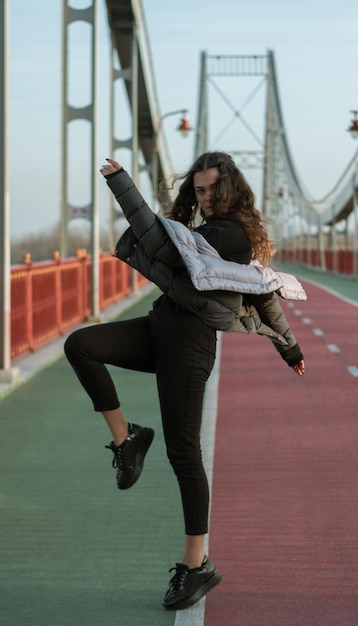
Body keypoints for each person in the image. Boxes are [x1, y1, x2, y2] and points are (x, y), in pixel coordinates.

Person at [64, 151, 305, 611]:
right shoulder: (199, 233)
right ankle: (127, 437)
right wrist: (290, 347)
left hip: (189, 346)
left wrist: (123, 187)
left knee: (184, 452)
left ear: (231, 189)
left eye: (214, 189)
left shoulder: (229, 236)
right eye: (199, 190)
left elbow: (260, 295)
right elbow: (259, 294)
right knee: (82, 345)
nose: (207, 197)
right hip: (160, 328)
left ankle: (197, 564)